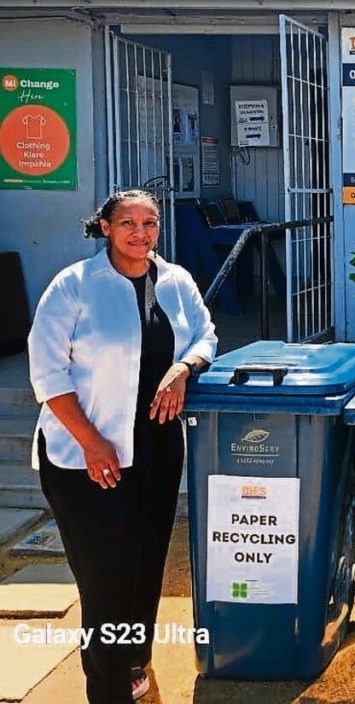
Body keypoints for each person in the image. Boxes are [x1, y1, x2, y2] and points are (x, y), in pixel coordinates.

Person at [28, 190, 217, 703]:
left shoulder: (175, 282)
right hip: (85, 457)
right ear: (106, 228)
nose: (141, 232)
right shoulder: (73, 286)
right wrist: (91, 443)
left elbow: (206, 334)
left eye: (150, 222)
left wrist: (185, 368)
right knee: (106, 575)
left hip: (156, 449)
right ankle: (107, 687)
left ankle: (133, 661)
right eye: (128, 222)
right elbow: (47, 374)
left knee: (146, 561)